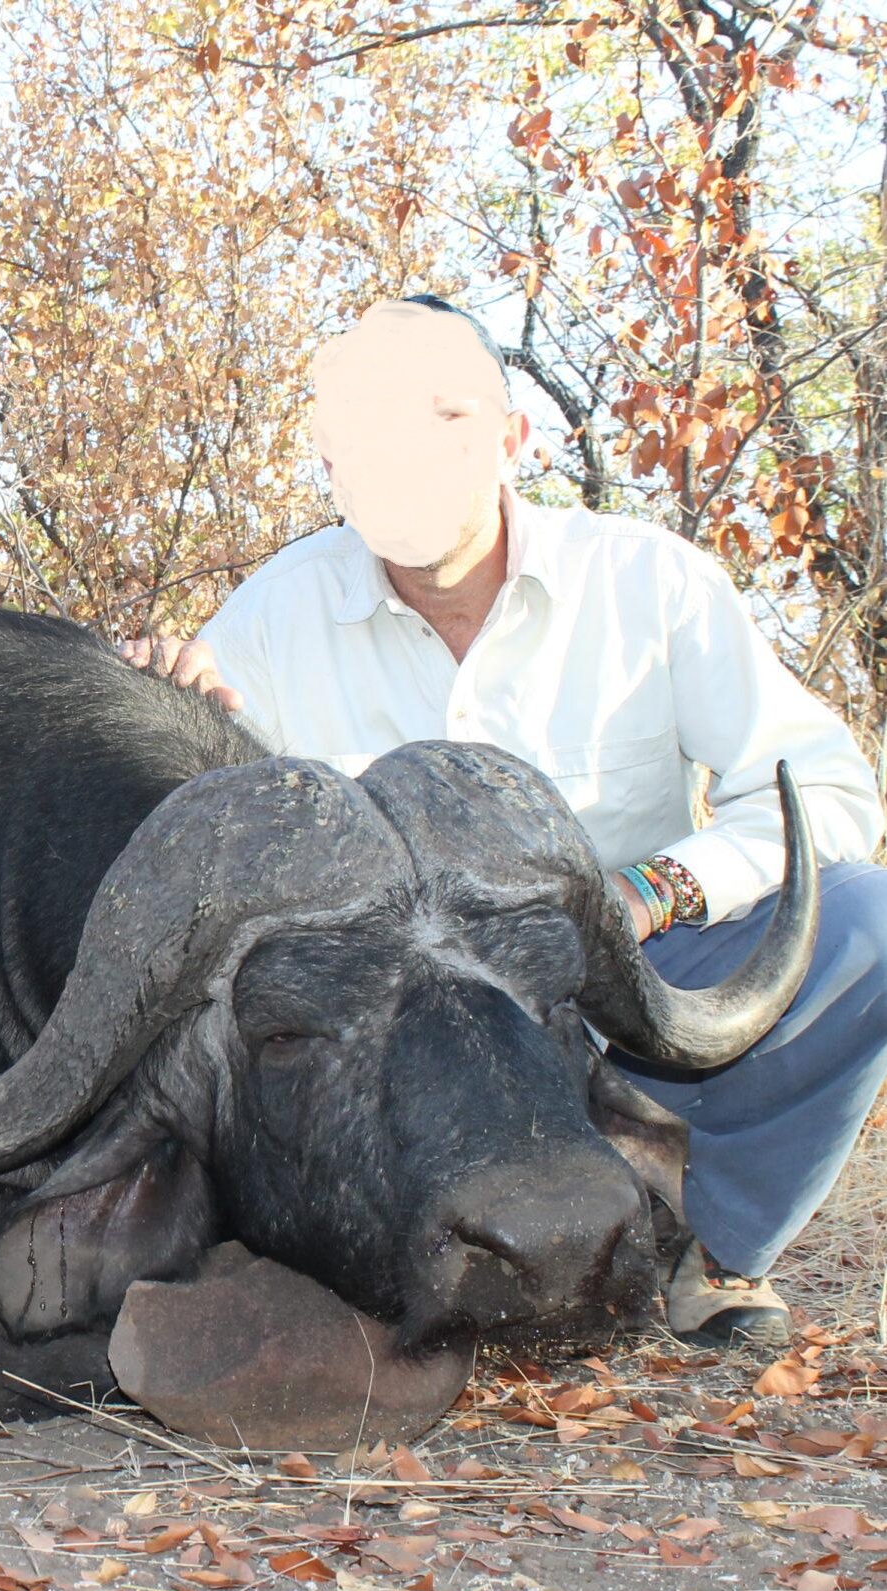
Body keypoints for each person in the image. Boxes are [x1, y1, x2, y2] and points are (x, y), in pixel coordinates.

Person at [119, 294, 887, 1349]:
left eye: (440, 421)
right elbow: (206, 885)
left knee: (865, 921)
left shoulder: (647, 582)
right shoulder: (263, 625)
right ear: (333, 462)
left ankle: (703, 1247)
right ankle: (392, 1251)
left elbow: (830, 798)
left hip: (622, 992)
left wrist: (646, 897)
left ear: (512, 436)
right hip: (407, 1024)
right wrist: (155, 723)